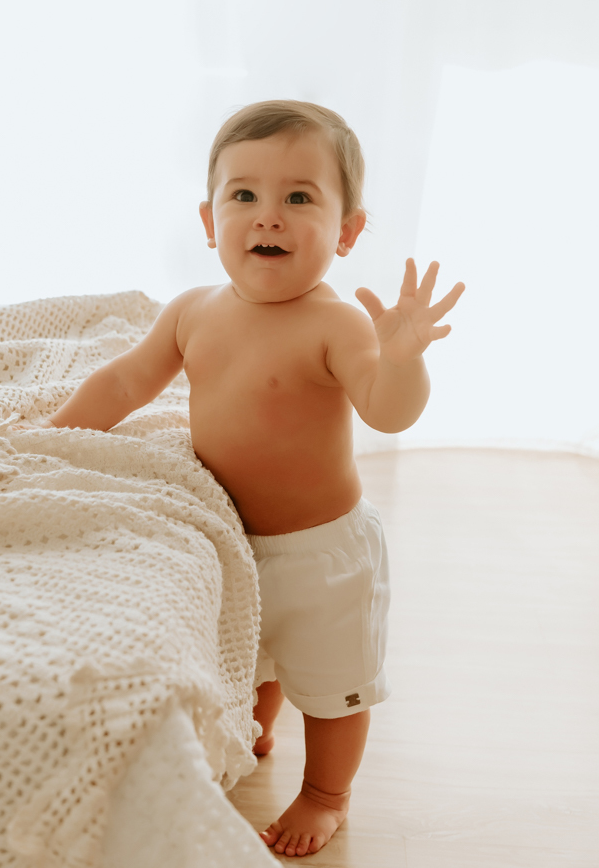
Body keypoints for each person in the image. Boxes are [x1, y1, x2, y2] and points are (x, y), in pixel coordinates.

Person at [42, 100, 464, 857]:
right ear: (210, 221)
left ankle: (326, 793)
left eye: (299, 197)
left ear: (347, 231)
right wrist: (54, 438)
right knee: (253, 652)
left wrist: (402, 360)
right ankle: (257, 726)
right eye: (244, 194)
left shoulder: (335, 324)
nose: (268, 215)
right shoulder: (192, 311)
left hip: (322, 554)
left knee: (332, 687)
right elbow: (123, 382)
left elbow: (387, 409)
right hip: (231, 538)